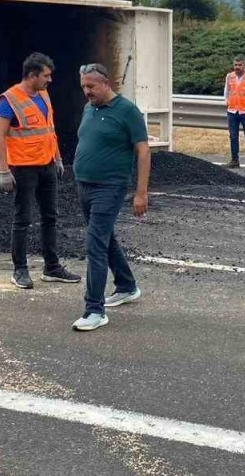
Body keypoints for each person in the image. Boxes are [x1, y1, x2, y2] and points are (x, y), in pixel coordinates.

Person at [71, 62, 148, 332]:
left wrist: (141, 193)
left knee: (95, 244)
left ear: (107, 83)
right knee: (104, 238)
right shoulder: (89, 108)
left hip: (110, 187)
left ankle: (94, 310)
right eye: (83, 87)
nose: (86, 92)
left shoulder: (127, 111)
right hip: (84, 184)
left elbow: (143, 151)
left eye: (91, 86)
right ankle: (127, 286)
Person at [0, 52, 80, 289]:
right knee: (22, 219)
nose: (50, 80)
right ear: (32, 75)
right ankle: (20, 270)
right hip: (23, 168)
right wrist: (4, 171)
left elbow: (49, 129)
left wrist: (58, 158)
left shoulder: (43, 94)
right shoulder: (9, 100)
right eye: (46, 76)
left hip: (47, 165)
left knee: (50, 217)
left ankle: (51, 267)